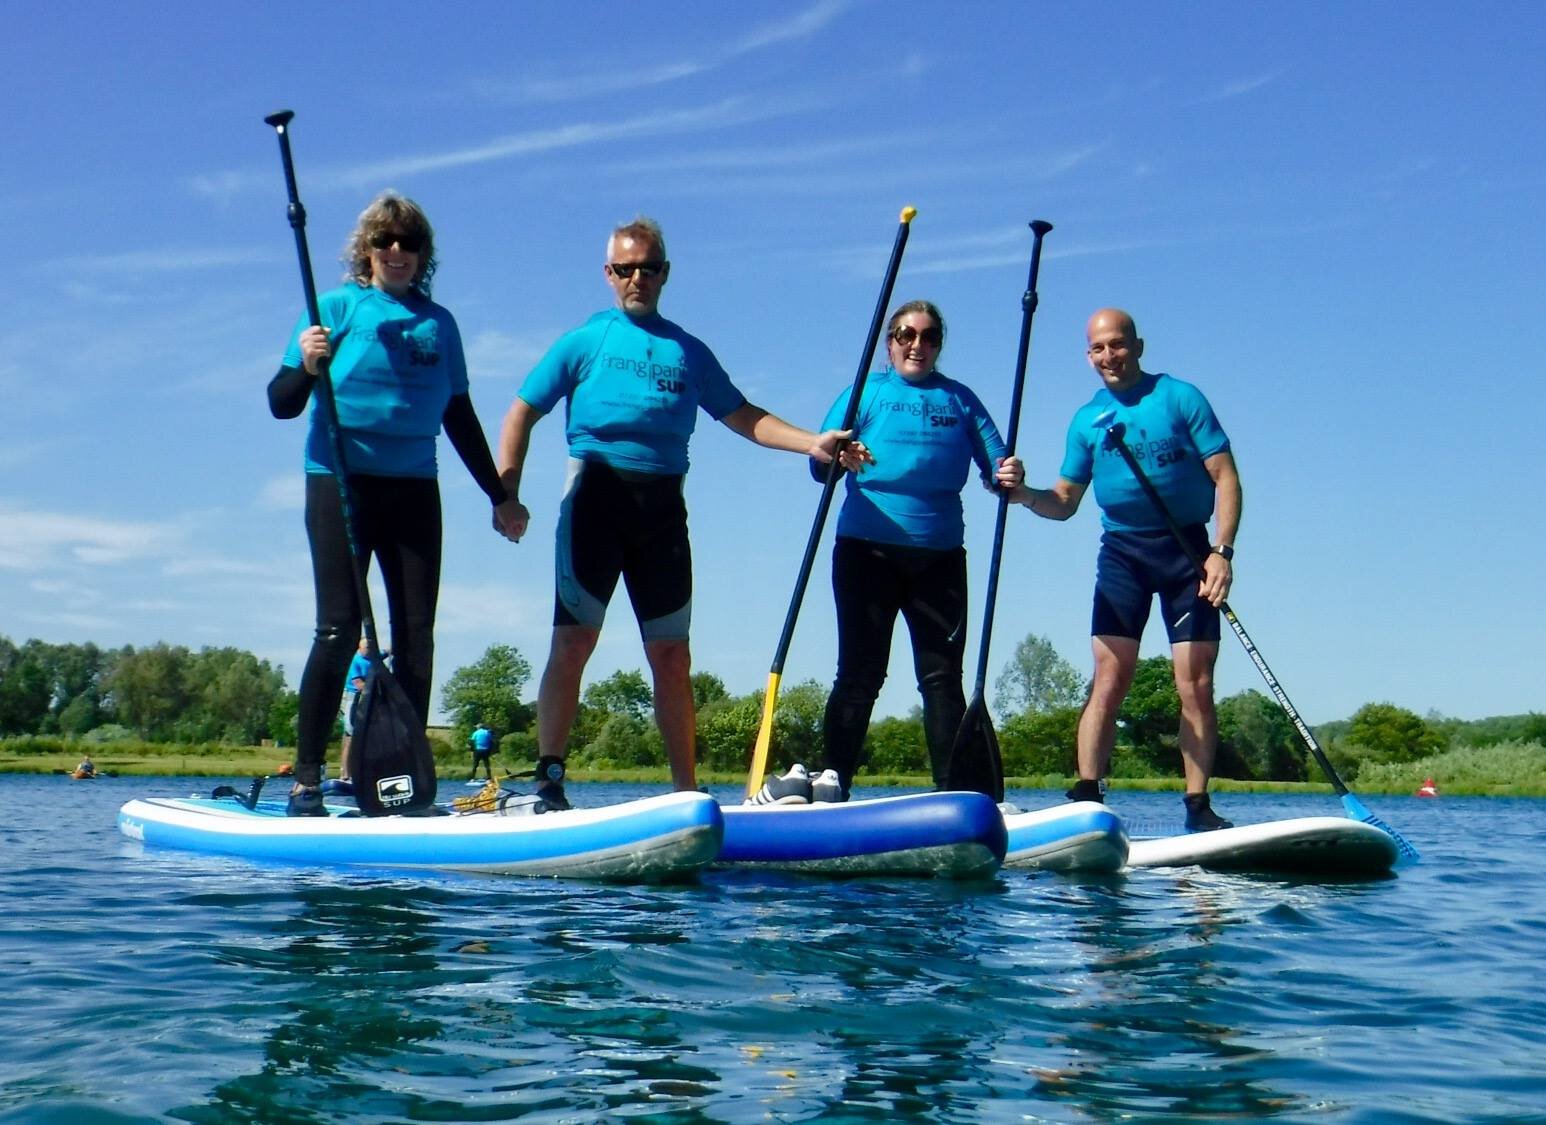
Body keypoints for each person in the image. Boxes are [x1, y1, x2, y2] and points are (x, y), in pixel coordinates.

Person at [495, 217, 851, 810]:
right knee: (574, 641)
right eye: (625, 268)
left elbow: (745, 416)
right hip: (594, 505)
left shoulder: (689, 351)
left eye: (649, 268)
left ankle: (685, 793)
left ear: (665, 273)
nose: (638, 278)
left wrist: (813, 442)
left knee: (672, 654)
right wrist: (506, 492)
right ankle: (549, 778)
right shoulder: (586, 340)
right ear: (609, 274)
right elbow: (520, 412)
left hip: (661, 515)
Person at [268, 191, 524, 816]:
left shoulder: (440, 324)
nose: (398, 253)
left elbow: (458, 414)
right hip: (340, 481)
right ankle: (307, 780)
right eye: (386, 241)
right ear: (367, 250)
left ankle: (400, 781)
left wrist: (500, 496)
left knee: (416, 638)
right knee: (339, 631)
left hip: (413, 487)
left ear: (423, 254)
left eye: (410, 243)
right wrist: (306, 365)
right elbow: (281, 402)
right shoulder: (335, 309)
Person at [755, 301, 1023, 805]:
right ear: (890, 342)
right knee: (860, 673)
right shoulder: (866, 393)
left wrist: (1010, 475)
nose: (917, 345)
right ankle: (835, 782)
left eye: (929, 336)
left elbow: (999, 468)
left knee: (942, 679)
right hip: (865, 553)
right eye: (905, 335)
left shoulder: (960, 399)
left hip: (939, 558)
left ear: (940, 343)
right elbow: (820, 461)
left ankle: (955, 798)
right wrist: (836, 455)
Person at [1010, 308, 1241, 831]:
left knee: (1195, 684)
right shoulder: (1085, 420)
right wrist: (1023, 495)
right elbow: (1064, 501)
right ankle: (1087, 795)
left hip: (1189, 555)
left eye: (1116, 345)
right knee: (1109, 677)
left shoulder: (1180, 398)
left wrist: (1221, 553)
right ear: (1088, 354)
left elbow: (1226, 477)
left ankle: (1198, 807)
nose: (1108, 357)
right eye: (1097, 349)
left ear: (1138, 345)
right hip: (1124, 556)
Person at [338, 636, 371, 782]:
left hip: (365, 698)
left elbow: (386, 652)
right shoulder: (355, 661)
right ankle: (345, 775)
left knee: (365, 736)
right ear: (360, 648)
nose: (369, 651)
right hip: (353, 698)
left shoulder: (372, 656)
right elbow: (358, 684)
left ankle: (360, 772)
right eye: (367, 649)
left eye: (371, 648)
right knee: (350, 736)